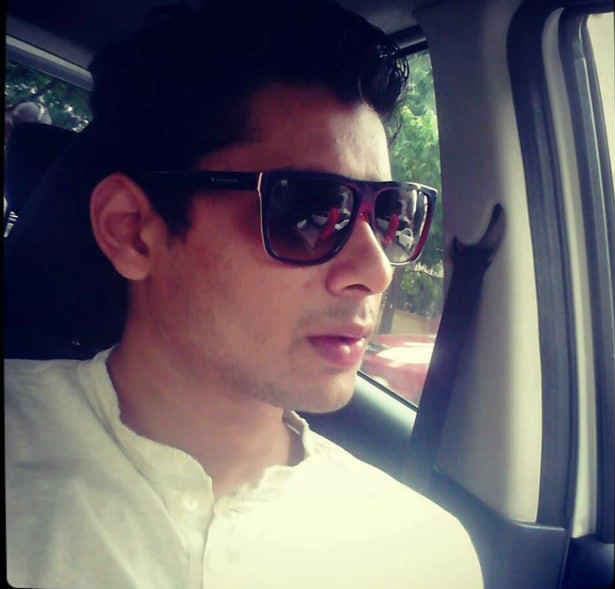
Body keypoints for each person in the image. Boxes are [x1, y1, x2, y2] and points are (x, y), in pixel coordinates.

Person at [4, 1, 483, 587]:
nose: (376, 272)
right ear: (132, 230)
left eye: (391, 214)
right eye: (310, 210)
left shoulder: (423, 557)